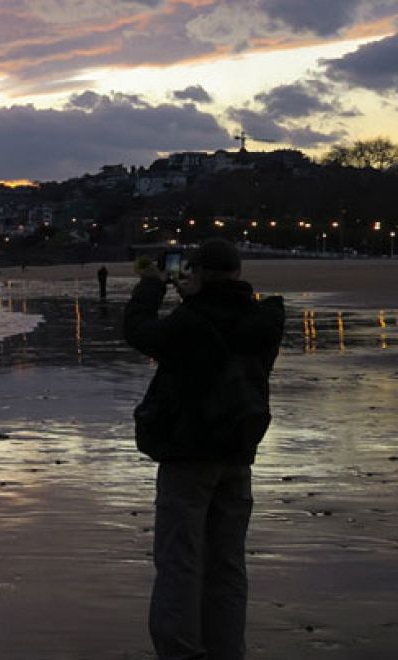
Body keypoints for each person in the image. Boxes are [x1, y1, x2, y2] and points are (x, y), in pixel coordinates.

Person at [123, 238, 284, 660]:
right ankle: (226, 650)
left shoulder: (190, 322)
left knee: (180, 560)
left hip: (188, 453)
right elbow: (221, 328)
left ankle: (179, 651)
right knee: (227, 563)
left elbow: (138, 330)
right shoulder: (262, 321)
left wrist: (151, 285)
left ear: (196, 273)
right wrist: (197, 295)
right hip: (237, 451)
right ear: (237, 272)